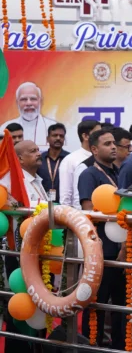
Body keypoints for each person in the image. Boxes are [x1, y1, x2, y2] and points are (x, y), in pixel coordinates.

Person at [77, 129, 126, 350]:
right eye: (107, 144)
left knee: (121, 307)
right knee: (96, 305)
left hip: (120, 249)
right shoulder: (89, 174)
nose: (114, 147)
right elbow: (89, 212)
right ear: (94, 149)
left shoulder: (117, 172)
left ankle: (118, 347)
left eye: (114, 143)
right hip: (100, 250)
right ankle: (90, 346)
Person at [0, 140, 50, 349]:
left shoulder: (38, 181)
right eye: (32, 151)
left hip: (41, 253)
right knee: (20, 307)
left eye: (38, 150)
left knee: (41, 305)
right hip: (19, 253)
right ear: (19, 158)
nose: (38, 154)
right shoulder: (13, 184)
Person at [1, 82, 57, 150]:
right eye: (24, 99)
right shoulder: (4, 128)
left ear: (40, 101)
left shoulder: (54, 127)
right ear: (17, 102)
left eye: (33, 99)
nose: (28, 103)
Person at [59, 120, 101, 209]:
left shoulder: (102, 158)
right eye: (97, 133)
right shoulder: (70, 160)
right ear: (85, 136)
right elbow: (65, 198)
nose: (101, 137)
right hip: (79, 214)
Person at [37, 123, 69, 195]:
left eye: (61, 136)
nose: (58, 138)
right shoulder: (39, 158)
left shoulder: (70, 159)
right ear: (47, 139)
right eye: (55, 135)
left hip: (64, 203)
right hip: (43, 203)